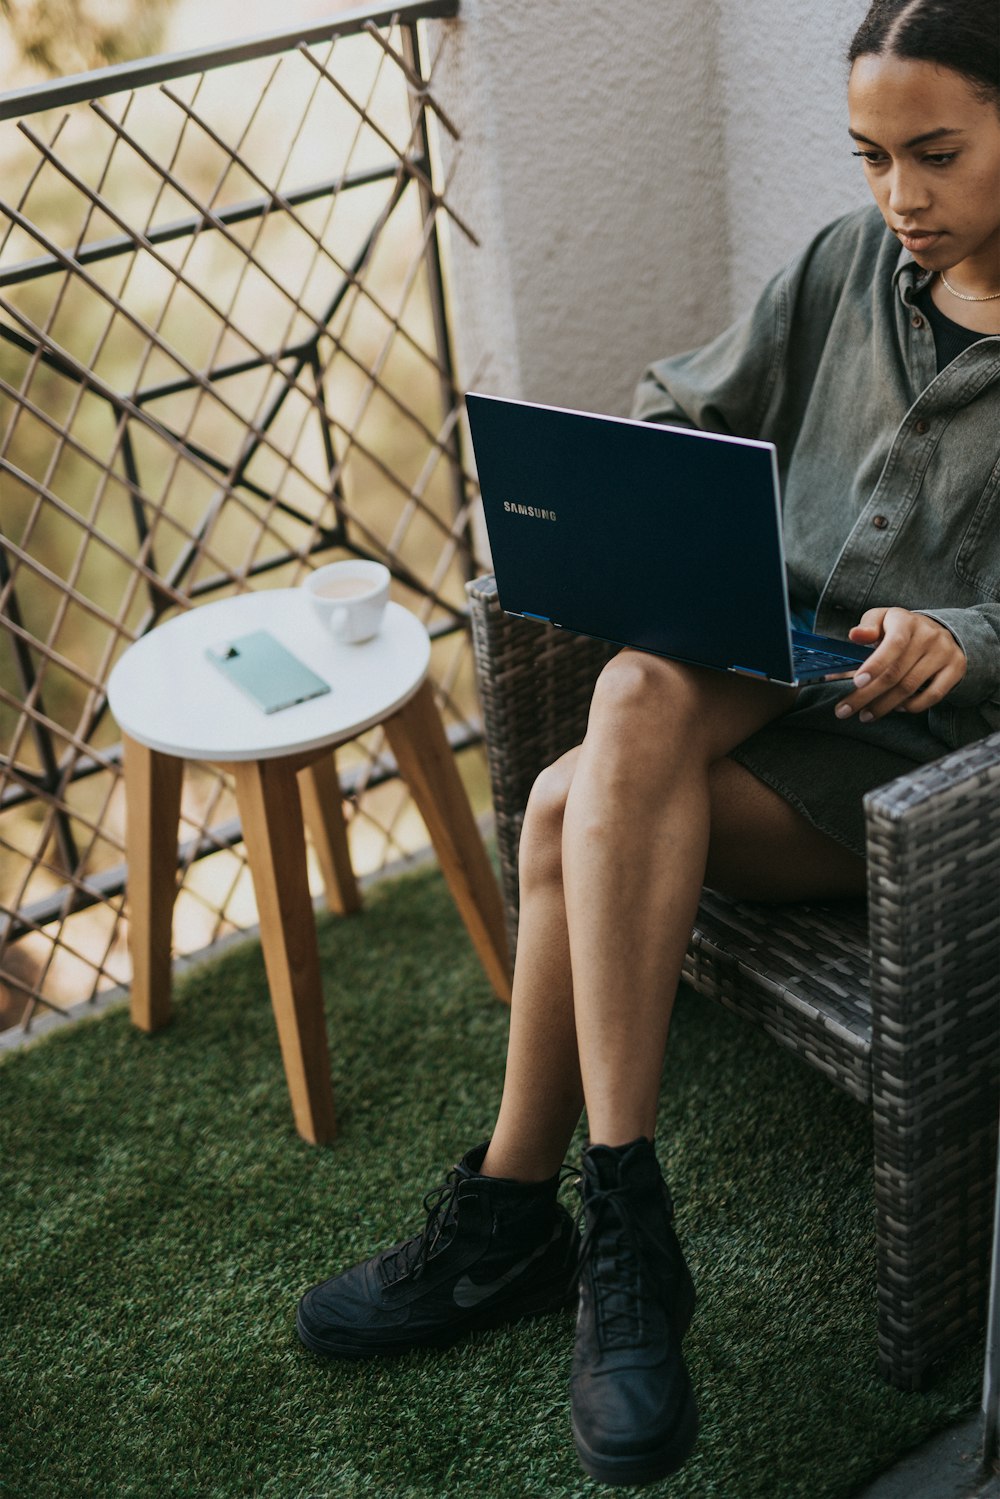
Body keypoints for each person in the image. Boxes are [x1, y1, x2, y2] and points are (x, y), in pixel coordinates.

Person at [295, 0, 1000, 1486]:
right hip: (767, 657)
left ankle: (523, 1215)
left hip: (911, 762)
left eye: (936, 155)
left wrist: (969, 636)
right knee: (633, 694)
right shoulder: (842, 263)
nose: (900, 200)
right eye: (871, 156)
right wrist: (643, 479)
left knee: (565, 814)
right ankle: (619, 1215)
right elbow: (686, 399)